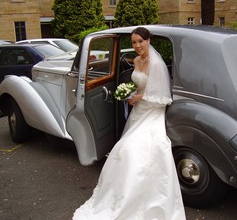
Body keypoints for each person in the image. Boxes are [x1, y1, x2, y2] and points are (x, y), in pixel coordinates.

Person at [72, 27, 186, 220]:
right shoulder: (136, 60)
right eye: (133, 43)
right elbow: (139, 84)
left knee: (131, 149)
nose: (137, 46)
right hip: (138, 111)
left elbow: (163, 97)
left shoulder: (156, 63)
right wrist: (129, 93)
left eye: (140, 41)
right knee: (124, 148)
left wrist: (140, 97)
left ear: (149, 40)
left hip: (152, 112)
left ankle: (140, 198)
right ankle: (118, 195)